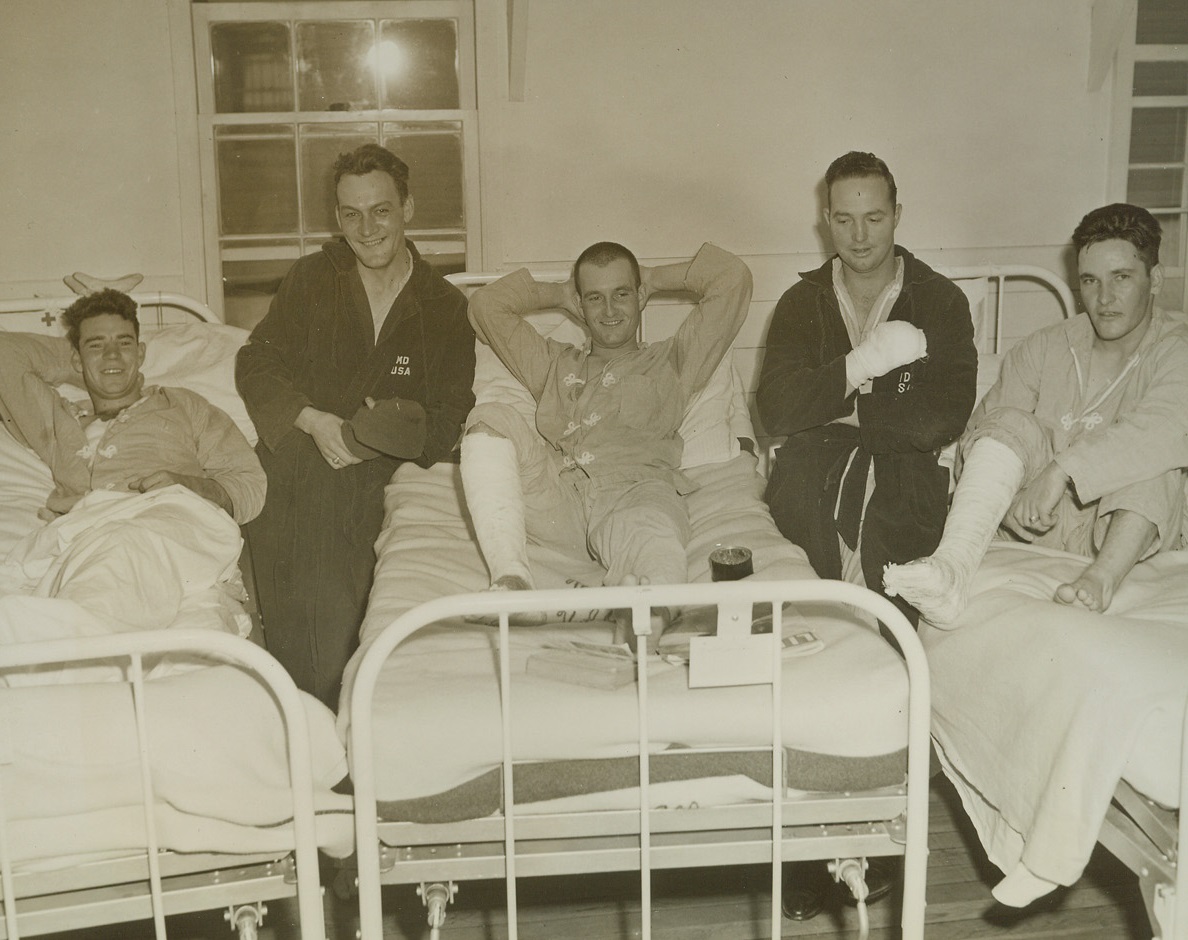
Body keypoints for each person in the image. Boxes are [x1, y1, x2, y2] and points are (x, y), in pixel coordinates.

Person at [755, 151, 978, 920]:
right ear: (826, 219)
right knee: (811, 644)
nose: (858, 234)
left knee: (887, 652)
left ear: (898, 215)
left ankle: (877, 837)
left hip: (905, 491)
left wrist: (849, 404)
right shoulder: (802, 302)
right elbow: (778, 410)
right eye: (842, 218)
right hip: (815, 483)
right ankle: (811, 840)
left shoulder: (940, 300)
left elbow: (943, 415)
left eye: (873, 216)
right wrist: (858, 372)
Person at [235, 143, 476, 707]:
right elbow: (257, 359)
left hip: (383, 469)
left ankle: (342, 716)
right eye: (350, 214)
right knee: (298, 546)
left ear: (408, 207)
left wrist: (368, 439)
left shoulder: (443, 307)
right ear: (337, 217)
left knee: (368, 568)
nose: (365, 230)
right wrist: (315, 421)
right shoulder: (313, 278)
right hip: (298, 460)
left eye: (381, 211)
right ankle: (313, 714)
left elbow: (450, 415)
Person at [883, 202, 1188, 623]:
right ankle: (952, 567)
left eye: (1121, 278)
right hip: (1032, 527)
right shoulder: (1043, 346)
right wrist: (1005, 506)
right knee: (1010, 421)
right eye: (1090, 281)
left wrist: (1060, 470)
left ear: (1154, 280)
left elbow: (1169, 426)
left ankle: (1099, 580)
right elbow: (986, 435)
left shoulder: (1178, 348)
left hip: (1123, 536)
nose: (1103, 298)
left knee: (1154, 460)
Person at [460, 241, 751, 637]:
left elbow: (732, 278)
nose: (610, 311)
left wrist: (651, 278)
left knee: (652, 532)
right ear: (580, 305)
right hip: (559, 504)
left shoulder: (674, 361)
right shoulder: (553, 363)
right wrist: (560, 292)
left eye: (622, 294)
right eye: (595, 298)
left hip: (634, 494)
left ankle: (650, 611)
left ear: (639, 297)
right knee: (488, 418)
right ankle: (512, 581)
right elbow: (485, 307)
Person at [0, 288, 264, 523]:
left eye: (124, 343)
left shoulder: (183, 406)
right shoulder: (59, 420)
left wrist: (190, 486)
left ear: (140, 354)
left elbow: (249, 484)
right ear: (76, 360)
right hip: (85, 536)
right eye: (97, 344)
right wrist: (89, 368)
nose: (112, 354)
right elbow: (5, 353)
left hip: (169, 528)